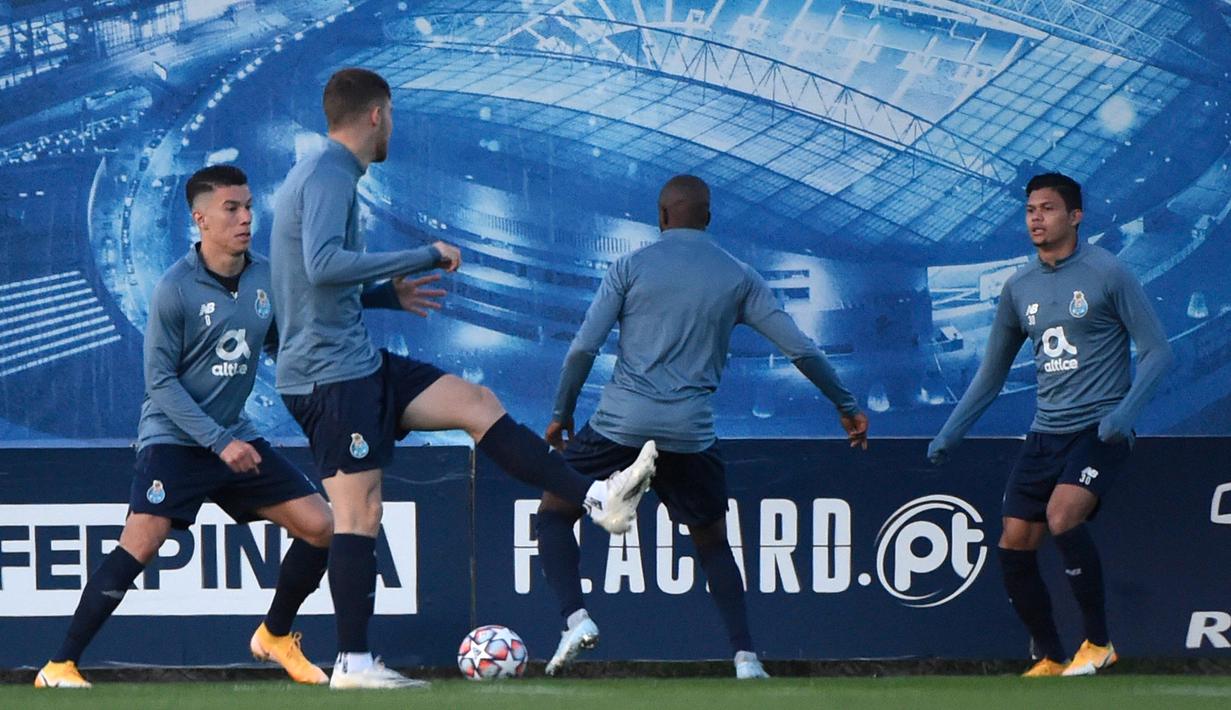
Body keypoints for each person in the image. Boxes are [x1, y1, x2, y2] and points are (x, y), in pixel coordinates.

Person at [269, 67, 657, 689]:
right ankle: (353, 664)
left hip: (358, 362)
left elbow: (309, 283)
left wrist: (386, 296)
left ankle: (596, 499)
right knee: (359, 514)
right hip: (329, 376)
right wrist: (425, 252)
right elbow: (319, 266)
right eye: (391, 116)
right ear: (376, 114)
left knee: (475, 402)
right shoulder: (328, 174)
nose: (392, 127)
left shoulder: (327, 172)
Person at [536, 175, 869, 679]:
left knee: (553, 514)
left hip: (619, 425)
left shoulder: (629, 267)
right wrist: (845, 405)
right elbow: (799, 348)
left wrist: (562, 412)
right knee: (712, 543)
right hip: (689, 434)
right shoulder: (738, 276)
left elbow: (583, 347)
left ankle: (576, 618)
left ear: (661, 216)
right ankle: (746, 658)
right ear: (708, 217)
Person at [35, 165, 335, 688]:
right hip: (175, 437)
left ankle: (275, 635)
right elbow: (159, 383)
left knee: (320, 525)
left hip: (234, 433)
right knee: (141, 543)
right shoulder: (175, 288)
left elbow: (274, 342)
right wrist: (218, 442)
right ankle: (59, 666)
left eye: (248, 207)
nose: (245, 218)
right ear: (201, 220)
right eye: (231, 209)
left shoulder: (267, 276)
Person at [927, 172, 1173, 677]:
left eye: (1048, 209)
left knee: (1062, 516)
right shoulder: (1018, 286)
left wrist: (1123, 416)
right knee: (1014, 541)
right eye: (1030, 210)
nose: (1036, 219)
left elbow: (1158, 351)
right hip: (1044, 434)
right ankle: (1050, 655)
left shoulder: (1109, 272)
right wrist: (951, 432)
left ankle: (1099, 644)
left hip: (1098, 431)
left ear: (1075, 216)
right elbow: (992, 372)